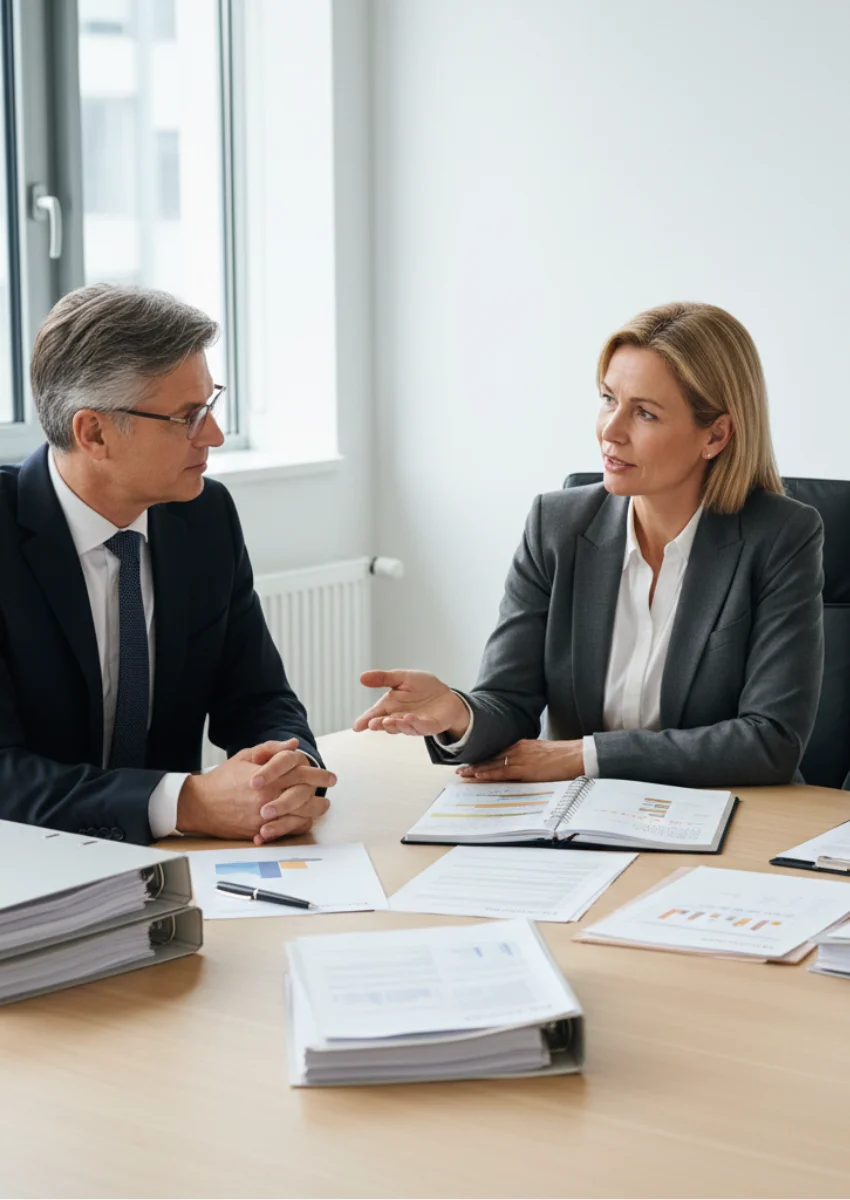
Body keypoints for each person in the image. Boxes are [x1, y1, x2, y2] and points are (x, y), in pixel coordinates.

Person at [354, 301, 824, 788]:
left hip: (733, 818)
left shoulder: (781, 537)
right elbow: (509, 703)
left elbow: (771, 740)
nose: (610, 431)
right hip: (580, 821)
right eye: (607, 399)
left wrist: (587, 756)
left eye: (644, 413)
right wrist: (457, 713)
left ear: (717, 434)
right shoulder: (555, 525)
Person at [0, 284, 335, 845]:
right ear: (95, 432)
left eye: (210, 404)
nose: (215, 436)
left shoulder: (204, 517)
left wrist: (287, 774)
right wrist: (184, 801)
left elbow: (259, 699)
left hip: (174, 866)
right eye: (187, 417)